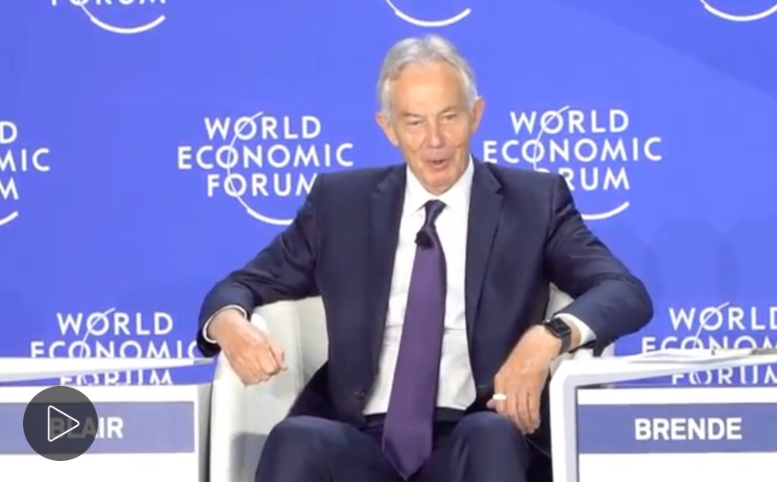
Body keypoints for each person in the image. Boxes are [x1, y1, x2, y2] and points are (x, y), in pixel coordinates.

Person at [196, 34, 653, 482]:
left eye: (449, 117)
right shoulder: (340, 205)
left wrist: (547, 337)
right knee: (296, 439)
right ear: (388, 127)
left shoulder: (533, 203)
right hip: (361, 442)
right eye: (414, 122)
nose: (435, 140)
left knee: (490, 435)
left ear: (476, 114)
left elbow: (623, 291)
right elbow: (241, 285)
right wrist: (230, 325)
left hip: (474, 435)